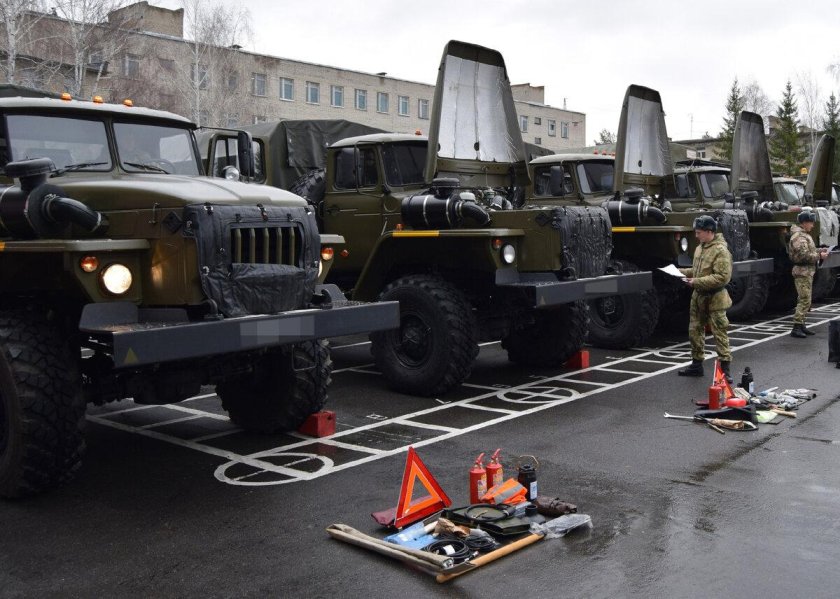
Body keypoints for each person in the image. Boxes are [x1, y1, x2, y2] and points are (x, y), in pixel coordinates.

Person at [677, 215, 734, 381]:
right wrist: (680, 272)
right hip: (698, 298)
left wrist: (696, 281)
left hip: (715, 297)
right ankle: (696, 365)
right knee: (695, 331)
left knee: (720, 334)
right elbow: (697, 270)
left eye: (699, 232)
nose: (696, 235)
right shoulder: (700, 247)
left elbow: (722, 277)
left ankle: (725, 371)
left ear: (710, 232)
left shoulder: (721, 251)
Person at [788, 211, 828, 338]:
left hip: (806, 272)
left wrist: (819, 250)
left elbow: (808, 251)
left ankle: (802, 325)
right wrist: (819, 256)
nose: (812, 225)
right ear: (804, 223)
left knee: (805, 299)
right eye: (811, 223)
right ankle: (796, 327)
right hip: (802, 272)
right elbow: (803, 256)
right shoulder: (799, 236)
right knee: (805, 300)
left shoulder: (804, 235)